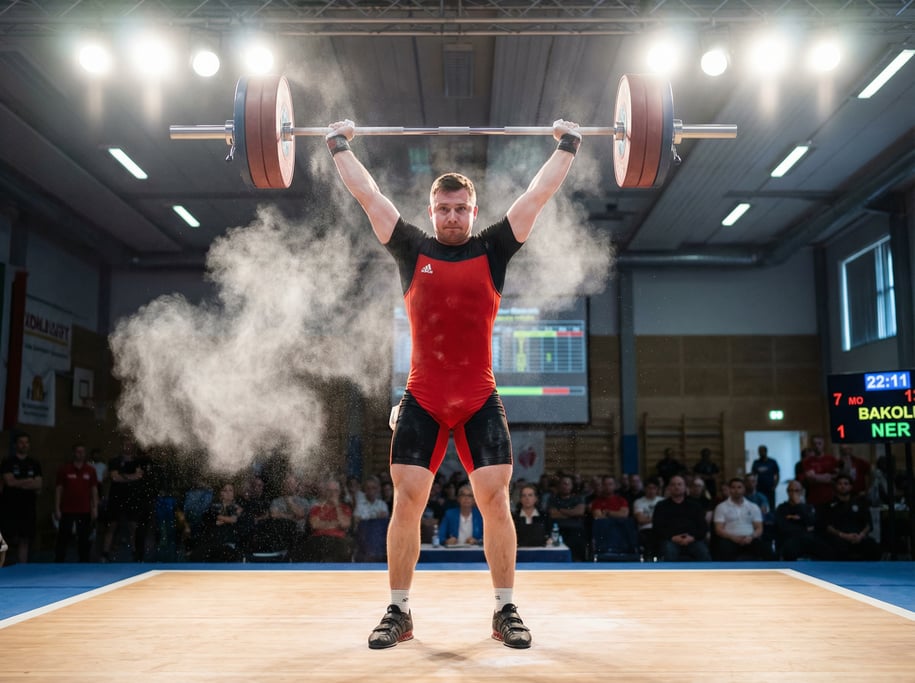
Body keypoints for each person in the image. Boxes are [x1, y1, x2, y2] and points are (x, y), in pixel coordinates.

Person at [328, 115, 581, 649]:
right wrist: (337, 144)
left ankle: (505, 610)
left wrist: (569, 145)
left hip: (478, 400)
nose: (451, 217)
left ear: (473, 211)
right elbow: (369, 195)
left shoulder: (493, 248)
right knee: (409, 500)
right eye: (442, 209)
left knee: (495, 498)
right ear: (431, 211)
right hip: (421, 397)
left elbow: (537, 195)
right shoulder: (411, 248)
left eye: (460, 209)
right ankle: (398, 612)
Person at [0, 432, 42, 564]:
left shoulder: (34, 463)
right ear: (15, 445)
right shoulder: (8, 462)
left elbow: (39, 484)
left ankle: (22, 567)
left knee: (25, 538)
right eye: (21, 442)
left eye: (26, 442)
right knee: (6, 538)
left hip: (28, 507)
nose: (24, 445)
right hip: (9, 506)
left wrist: (18, 482)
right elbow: (9, 482)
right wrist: (29, 481)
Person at [819, 474, 881, 561]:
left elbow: (868, 524)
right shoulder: (829, 505)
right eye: (840, 484)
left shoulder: (860, 503)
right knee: (833, 547)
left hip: (858, 537)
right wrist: (844, 535)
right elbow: (827, 526)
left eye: (846, 484)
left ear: (851, 487)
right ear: (835, 486)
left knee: (872, 545)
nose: (843, 486)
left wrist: (861, 535)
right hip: (839, 538)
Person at [54, 443, 99, 562]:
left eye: (82, 452)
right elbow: (59, 489)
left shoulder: (90, 470)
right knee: (63, 538)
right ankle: (59, 562)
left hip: (84, 510)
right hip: (67, 509)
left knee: (84, 538)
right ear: (73, 453)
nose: (80, 454)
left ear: (85, 454)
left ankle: (84, 562)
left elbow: (94, 489)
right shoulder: (64, 469)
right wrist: (57, 508)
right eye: (78, 451)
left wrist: (95, 507)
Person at [652, 475, 711, 562]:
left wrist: (692, 538)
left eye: (679, 484)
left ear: (685, 487)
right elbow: (657, 528)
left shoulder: (695, 505)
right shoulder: (661, 506)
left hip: (692, 539)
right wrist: (673, 538)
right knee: (668, 550)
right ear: (669, 488)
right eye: (673, 484)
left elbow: (703, 527)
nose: (676, 487)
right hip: (670, 540)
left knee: (703, 552)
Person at [713, 477, 772, 561]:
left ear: (744, 489)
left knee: (767, 550)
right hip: (730, 540)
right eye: (733, 487)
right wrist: (733, 537)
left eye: (739, 487)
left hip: (750, 539)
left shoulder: (753, 507)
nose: (736, 490)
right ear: (729, 489)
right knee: (722, 548)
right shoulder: (721, 507)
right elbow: (718, 529)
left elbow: (759, 528)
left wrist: (751, 537)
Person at [774, 480, 833, 560]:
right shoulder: (781, 508)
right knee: (789, 549)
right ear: (787, 492)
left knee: (827, 549)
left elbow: (812, 523)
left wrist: (798, 505)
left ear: (802, 491)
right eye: (791, 490)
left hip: (808, 539)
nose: (794, 493)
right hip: (790, 539)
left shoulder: (808, 507)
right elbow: (783, 528)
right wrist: (804, 529)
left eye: (797, 490)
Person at [513, 483, 549, 547]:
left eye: (530, 495)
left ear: (536, 498)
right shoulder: (514, 517)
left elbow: (548, 534)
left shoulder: (544, 516)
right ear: (520, 499)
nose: (527, 498)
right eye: (524, 496)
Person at [750, 445, 779, 510]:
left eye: (762, 451)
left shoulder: (772, 462)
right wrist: (753, 485)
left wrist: (775, 485)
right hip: (759, 488)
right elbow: (753, 475)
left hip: (770, 488)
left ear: (766, 451)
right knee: (760, 505)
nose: (760, 453)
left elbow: (777, 474)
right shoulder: (756, 463)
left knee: (771, 506)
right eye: (759, 451)